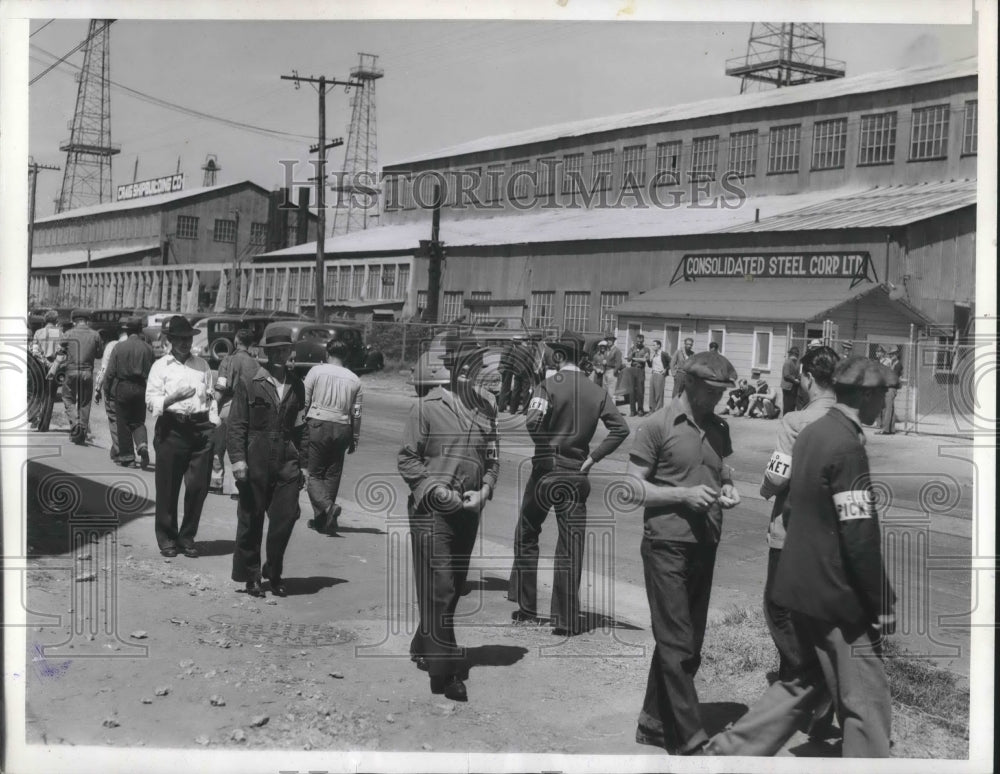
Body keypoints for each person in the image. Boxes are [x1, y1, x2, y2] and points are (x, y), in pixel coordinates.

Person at [703, 345, 840, 756]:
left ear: (809, 379)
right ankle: (805, 692)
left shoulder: (796, 421)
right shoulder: (847, 420)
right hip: (830, 535)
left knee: (777, 607)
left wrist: (763, 489)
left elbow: (778, 475)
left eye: (800, 377)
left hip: (792, 531)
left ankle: (812, 683)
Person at [769, 356, 899, 758]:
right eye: (884, 393)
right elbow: (858, 535)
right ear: (865, 394)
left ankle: (726, 752)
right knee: (864, 699)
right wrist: (881, 601)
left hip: (797, 575)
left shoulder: (806, 429)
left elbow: (781, 497)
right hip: (835, 590)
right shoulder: (847, 445)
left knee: (802, 682)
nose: (886, 403)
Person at [627, 351, 741, 755]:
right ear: (688, 382)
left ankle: (653, 722)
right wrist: (682, 494)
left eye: (721, 392)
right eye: (711, 391)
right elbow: (633, 487)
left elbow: (722, 470)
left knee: (687, 642)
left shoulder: (719, 427)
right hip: (665, 543)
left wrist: (728, 488)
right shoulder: (658, 425)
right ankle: (689, 739)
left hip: (705, 543)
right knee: (677, 644)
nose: (717, 399)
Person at [397, 333, 500, 702]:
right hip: (432, 513)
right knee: (441, 587)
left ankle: (425, 640)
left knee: (451, 588)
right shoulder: (427, 407)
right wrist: (436, 490)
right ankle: (444, 673)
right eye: (465, 364)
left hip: (468, 513)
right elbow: (407, 458)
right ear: (453, 368)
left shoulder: (487, 408)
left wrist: (485, 490)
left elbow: (493, 461)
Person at [508, 331, 630, 634]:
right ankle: (564, 619)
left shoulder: (547, 386)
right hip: (576, 472)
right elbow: (620, 429)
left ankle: (526, 606)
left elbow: (533, 422)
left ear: (560, 356)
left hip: (545, 470)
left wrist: (546, 450)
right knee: (570, 545)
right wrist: (593, 459)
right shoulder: (597, 392)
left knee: (527, 530)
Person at [228, 328, 307, 598]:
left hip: (286, 458)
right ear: (266, 353)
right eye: (274, 350)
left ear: (289, 352)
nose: (279, 355)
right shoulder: (250, 382)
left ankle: (273, 571)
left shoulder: (297, 385)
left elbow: (300, 428)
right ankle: (250, 577)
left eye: (284, 350)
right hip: (255, 455)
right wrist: (238, 459)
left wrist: (303, 464)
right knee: (251, 519)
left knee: (285, 518)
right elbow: (237, 423)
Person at [145, 315, 220, 558]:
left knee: (198, 487)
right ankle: (167, 538)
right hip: (172, 429)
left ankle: (187, 537)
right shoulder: (160, 367)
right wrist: (172, 399)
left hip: (200, 430)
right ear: (170, 340)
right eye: (180, 339)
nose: (185, 343)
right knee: (167, 487)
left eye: (188, 338)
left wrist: (213, 423)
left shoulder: (202, 365)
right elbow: (151, 400)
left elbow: (210, 397)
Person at [303, 338, 363, 535]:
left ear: (327, 354)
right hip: (343, 427)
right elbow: (357, 412)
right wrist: (355, 437)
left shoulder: (316, 371)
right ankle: (324, 522)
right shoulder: (355, 379)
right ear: (346, 356)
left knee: (312, 474)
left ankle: (328, 509)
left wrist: (299, 427)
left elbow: (305, 400)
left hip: (318, 424)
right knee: (332, 474)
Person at [211, 329, 260, 492]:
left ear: (236, 341)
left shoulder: (228, 360)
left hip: (227, 405)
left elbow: (221, 387)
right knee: (239, 447)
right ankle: (237, 488)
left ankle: (216, 482)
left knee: (218, 447)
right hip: (247, 409)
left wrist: (211, 407)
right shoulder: (256, 364)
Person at [103, 317, 155, 469]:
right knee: (138, 421)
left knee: (123, 423)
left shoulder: (119, 347)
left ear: (127, 330)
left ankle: (128, 458)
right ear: (140, 330)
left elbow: (110, 372)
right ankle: (142, 445)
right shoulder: (148, 348)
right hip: (141, 387)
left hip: (123, 387)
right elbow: (153, 372)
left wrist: (107, 389)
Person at [58, 309, 102, 444]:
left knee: (68, 398)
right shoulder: (95, 335)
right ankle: (81, 432)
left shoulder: (68, 333)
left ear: (74, 320)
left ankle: (75, 423)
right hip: (87, 372)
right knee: (85, 402)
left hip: (71, 371)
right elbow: (99, 354)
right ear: (87, 320)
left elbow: (61, 347)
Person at [95, 325, 129, 462]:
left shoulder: (112, 346)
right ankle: (119, 449)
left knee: (114, 418)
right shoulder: (142, 345)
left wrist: (98, 388)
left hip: (115, 386)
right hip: (135, 388)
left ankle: (120, 450)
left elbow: (104, 369)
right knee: (128, 419)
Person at [31, 310, 64, 433]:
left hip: (40, 366)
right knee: (50, 395)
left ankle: (36, 417)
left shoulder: (38, 332)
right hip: (54, 366)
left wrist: (44, 361)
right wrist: (52, 364)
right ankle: (44, 426)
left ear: (45, 320)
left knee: (39, 393)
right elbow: (62, 351)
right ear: (56, 321)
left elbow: (35, 351)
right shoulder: (59, 333)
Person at [877, 347, 903, 435]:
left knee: (887, 409)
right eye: (891, 354)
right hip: (890, 387)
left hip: (891, 388)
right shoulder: (893, 363)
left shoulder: (898, 364)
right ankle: (891, 429)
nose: (891, 356)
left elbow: (893, 378)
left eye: (893, 354)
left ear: (897, 355)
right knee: (890, 409)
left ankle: (885, 429)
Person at [626, 333, 651, 417]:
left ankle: (640, 410)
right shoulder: (632, 348)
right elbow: (628, 359)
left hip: (641, 370)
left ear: (643, 341)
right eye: (637, 341)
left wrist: (635, 358)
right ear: (635, 341)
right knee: (632, 390)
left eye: (640, 341)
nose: (639, 343)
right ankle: (632, 410)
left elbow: (644, 360)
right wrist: (632, 353)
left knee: (640, 391)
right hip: (632, 370)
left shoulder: (646, 349)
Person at [647, 339, 670, 412]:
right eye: (652, 345)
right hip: (653, 374)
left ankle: (658, 410)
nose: (653, 347)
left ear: (659, 346)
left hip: (660, 375)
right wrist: (647, 359)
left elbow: (671, 362)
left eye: (654, 345)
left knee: (659, 393)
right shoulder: (654, 355)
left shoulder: (663, 354)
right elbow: (650, 365)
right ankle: (652, 410)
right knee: (652, 393)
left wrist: (666, 369)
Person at [602, 332, 624, 402]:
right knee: (604, 392)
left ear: (613, 341)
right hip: (605, 371)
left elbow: (619, 363)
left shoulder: (617, 351)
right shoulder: (606, 350)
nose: (608, 341)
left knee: (611, 393)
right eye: (607, 340)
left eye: (610, 340)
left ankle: (612, 411)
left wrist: (614, 372)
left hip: (612, 372)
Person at [780, 347, 800, 416]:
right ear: (793, 354)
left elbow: (796, 374)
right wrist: (795, 379)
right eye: (796, 354)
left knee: (792, 406)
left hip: (793, 387)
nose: (797, 356)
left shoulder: (795, 363)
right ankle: (785, 420)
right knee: (787, 406)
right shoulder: (788, 362)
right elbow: (786, 375)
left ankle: (789, 420)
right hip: (787, 387)